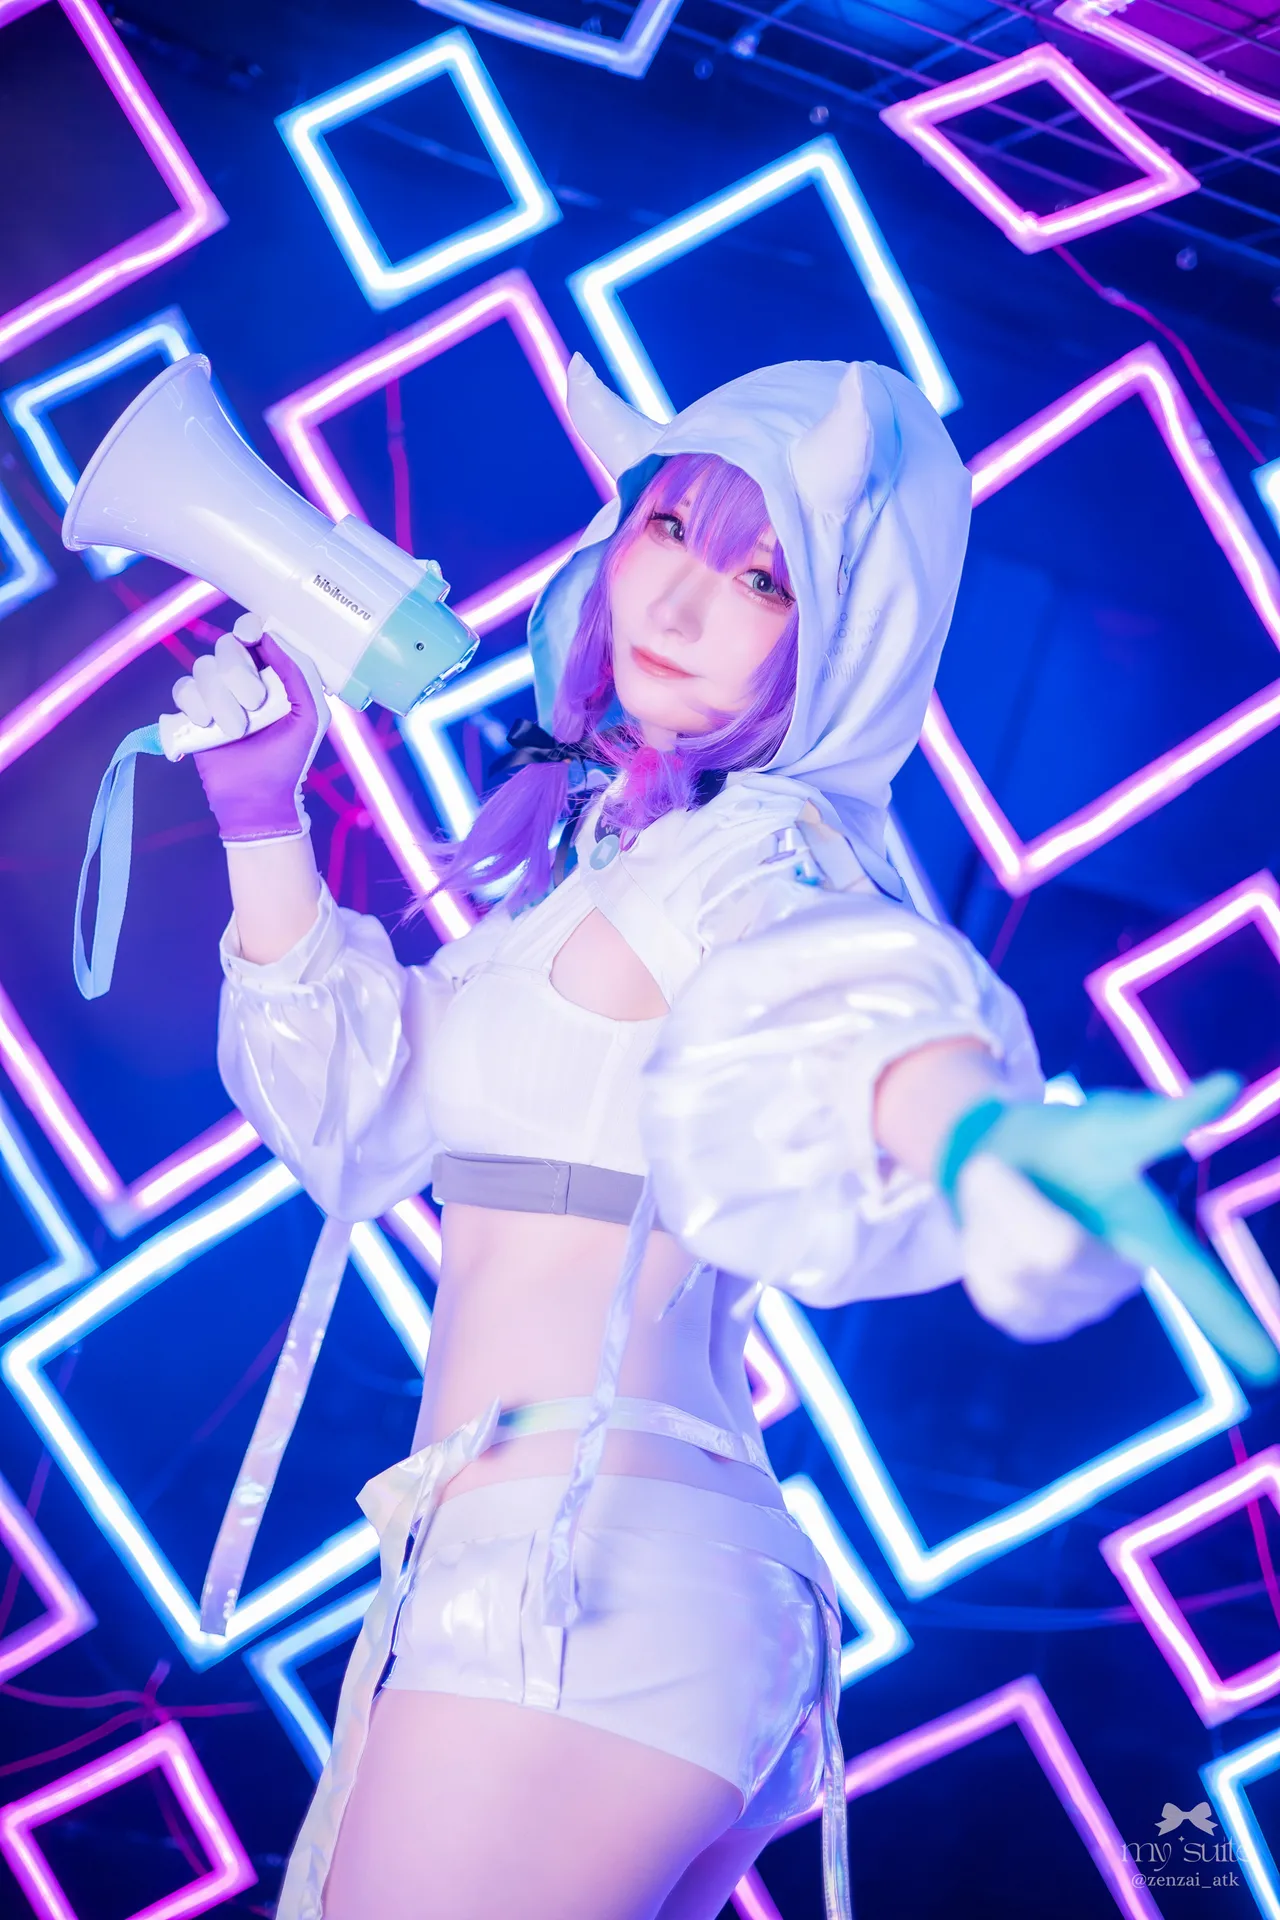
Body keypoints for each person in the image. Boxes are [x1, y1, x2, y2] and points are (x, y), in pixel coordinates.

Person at [177, 356, 1269, 1920]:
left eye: (764, 579)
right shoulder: (614, 862)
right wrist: (256, 817)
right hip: (608, 1591)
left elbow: (841, 1013)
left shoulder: (763, 858)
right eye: (671, 527)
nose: (681, 601)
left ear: (850, 641)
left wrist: (971, 1134)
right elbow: (360, 1127)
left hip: (580, 1595)